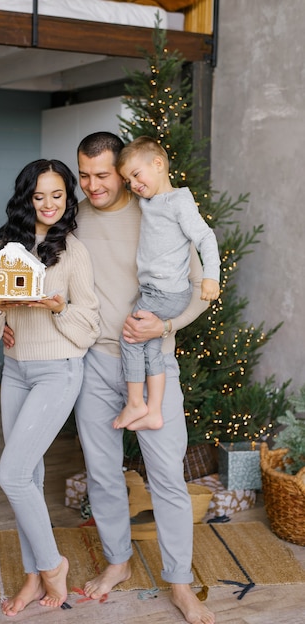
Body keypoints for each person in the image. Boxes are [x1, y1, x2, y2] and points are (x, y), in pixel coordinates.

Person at [3, 133, 216, 624]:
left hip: (155, 360)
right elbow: (36, 268)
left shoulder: (160, 211)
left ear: (123, 170)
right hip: (93, 362)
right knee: (102, 474)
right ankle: (118, 562)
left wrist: (167, 326)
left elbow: (200, 285)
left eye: (103, 175)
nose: (92, 185)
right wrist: (12, 315)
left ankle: (180, 584)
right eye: (85, 175)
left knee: (166, 475)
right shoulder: (72, 216)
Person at [0, 159, 100, 618]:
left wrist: (58, 307)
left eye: (57, 195)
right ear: (26, 198)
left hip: (58, 372)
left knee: (11, 475)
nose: (48, 204)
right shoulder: (9, 247)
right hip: (16, 372)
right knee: (30, 478)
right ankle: (31, 577)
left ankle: (52, 565)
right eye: (39, 196)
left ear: (67, 199)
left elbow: (90, 325)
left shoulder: (74, 252)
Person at [113, 136, 220, 432]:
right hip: (159, 290)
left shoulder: (178, 202)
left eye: (136, 175)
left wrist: (212, 276)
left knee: (131, 337)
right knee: (151, 348)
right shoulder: (149, 200)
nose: (133, 184)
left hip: (165, 292)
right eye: (127, 180)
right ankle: (154, 412)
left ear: (158, 164)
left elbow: (205, 237)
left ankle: (136, 403)